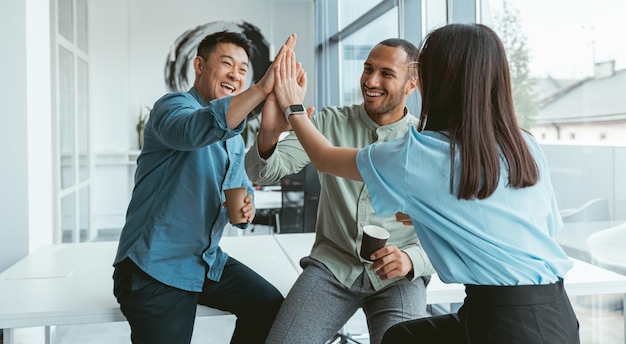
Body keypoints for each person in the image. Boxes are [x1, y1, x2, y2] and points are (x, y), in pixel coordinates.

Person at [271, 23, 580, 344]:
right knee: (401, 337)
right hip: (555, 313)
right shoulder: (526, 145)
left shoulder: (422, 151)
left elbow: (324, 157)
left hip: (501, 323)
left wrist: (294, 107)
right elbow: (538, 227)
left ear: (436, 80)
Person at [112, 31, 299, 344]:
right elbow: (192, 130)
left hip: (205, 260)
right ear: (199, 65)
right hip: (155, 267)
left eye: (242, 70)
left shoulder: (235, 141)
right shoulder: (172, 107)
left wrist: (243, 209)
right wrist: (261, 88)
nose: (235, 75)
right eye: (227, 64)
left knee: (268, 306)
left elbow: (234, 206)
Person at [245, 39, 435, 344]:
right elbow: (263, 172)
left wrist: (413, 259)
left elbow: (448, 224)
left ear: (411, 85)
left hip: (398, 278)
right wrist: (269, 132)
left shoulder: (426, 141)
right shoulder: (328, 122)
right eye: (368, 69)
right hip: (332, 267)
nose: (371, 81)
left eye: (386, 73)